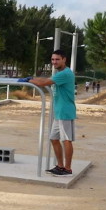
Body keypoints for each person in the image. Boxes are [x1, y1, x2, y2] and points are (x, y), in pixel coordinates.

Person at [22, 49, 76, 177]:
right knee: (53, 138)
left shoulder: (65, 73)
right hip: (59, 112)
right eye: (52, 60)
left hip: (65, 112)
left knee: (66, 140)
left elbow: (43, 83)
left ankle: (67, 169)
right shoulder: (59, 73)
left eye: (57, 59)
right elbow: (44, 79)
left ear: (64, 59)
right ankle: (60, 166)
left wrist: (28, 81)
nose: (54, 62)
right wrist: (32, 78)